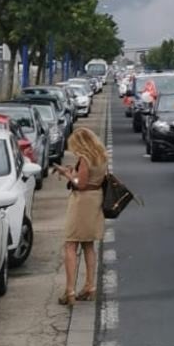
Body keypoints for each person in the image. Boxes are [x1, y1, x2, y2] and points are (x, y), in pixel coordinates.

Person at [56, 128, 107, 306]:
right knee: (88, 244)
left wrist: (67, 174)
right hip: (95, 199)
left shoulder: (85, 158)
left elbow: (81, 184)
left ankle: (69, 291)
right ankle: (89, 286)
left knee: (71, 244)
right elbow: (95, 179)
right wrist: (75, 171)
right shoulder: (101, 156)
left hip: (82, 202)